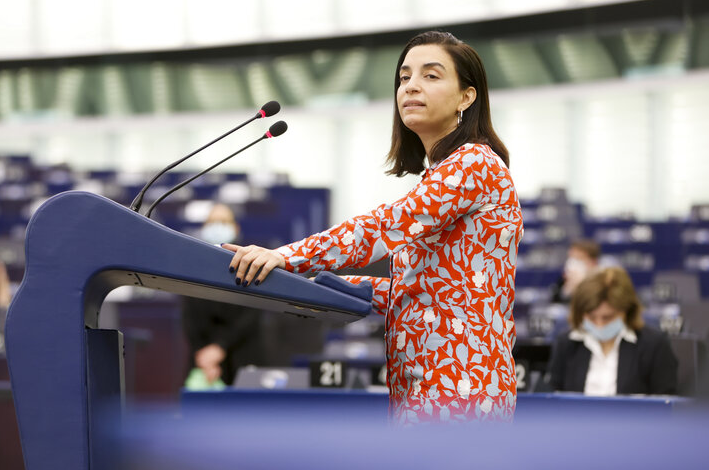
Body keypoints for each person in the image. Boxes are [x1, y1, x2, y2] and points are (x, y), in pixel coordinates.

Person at [224, 31, 523, 424]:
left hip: (461, 390)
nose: (411, 86)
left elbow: (382, 228)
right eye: (404, 77)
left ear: (466, 97)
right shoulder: (445, 173)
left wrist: (287, 257)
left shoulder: (474, 164)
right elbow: (433, 289)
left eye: (431, 76)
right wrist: (327, 286)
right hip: (424, 386)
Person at [546, 266, 677, 396]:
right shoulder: (566, 343)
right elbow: (553, 399)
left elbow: (665, 404)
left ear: (626, 310)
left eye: (608, 317)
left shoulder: (654, 344)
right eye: (591, 317)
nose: (599, 324)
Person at [182, 203, 261, 389]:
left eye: (224, 222)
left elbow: (251, 314)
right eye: (213, 222)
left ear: (236, 228)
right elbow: (189, 318)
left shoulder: (252, 264)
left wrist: (220, 347)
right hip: (203, 362)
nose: (218, 226)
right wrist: (206, 355)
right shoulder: (192, 267)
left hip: (243, 357)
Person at [551, 239, 600, 304]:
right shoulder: (562, 281)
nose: (572, 263)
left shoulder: (603, 281)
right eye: (571, 258)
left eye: (578, 259)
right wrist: (567, 290)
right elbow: (555, 306)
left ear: (593, 262)